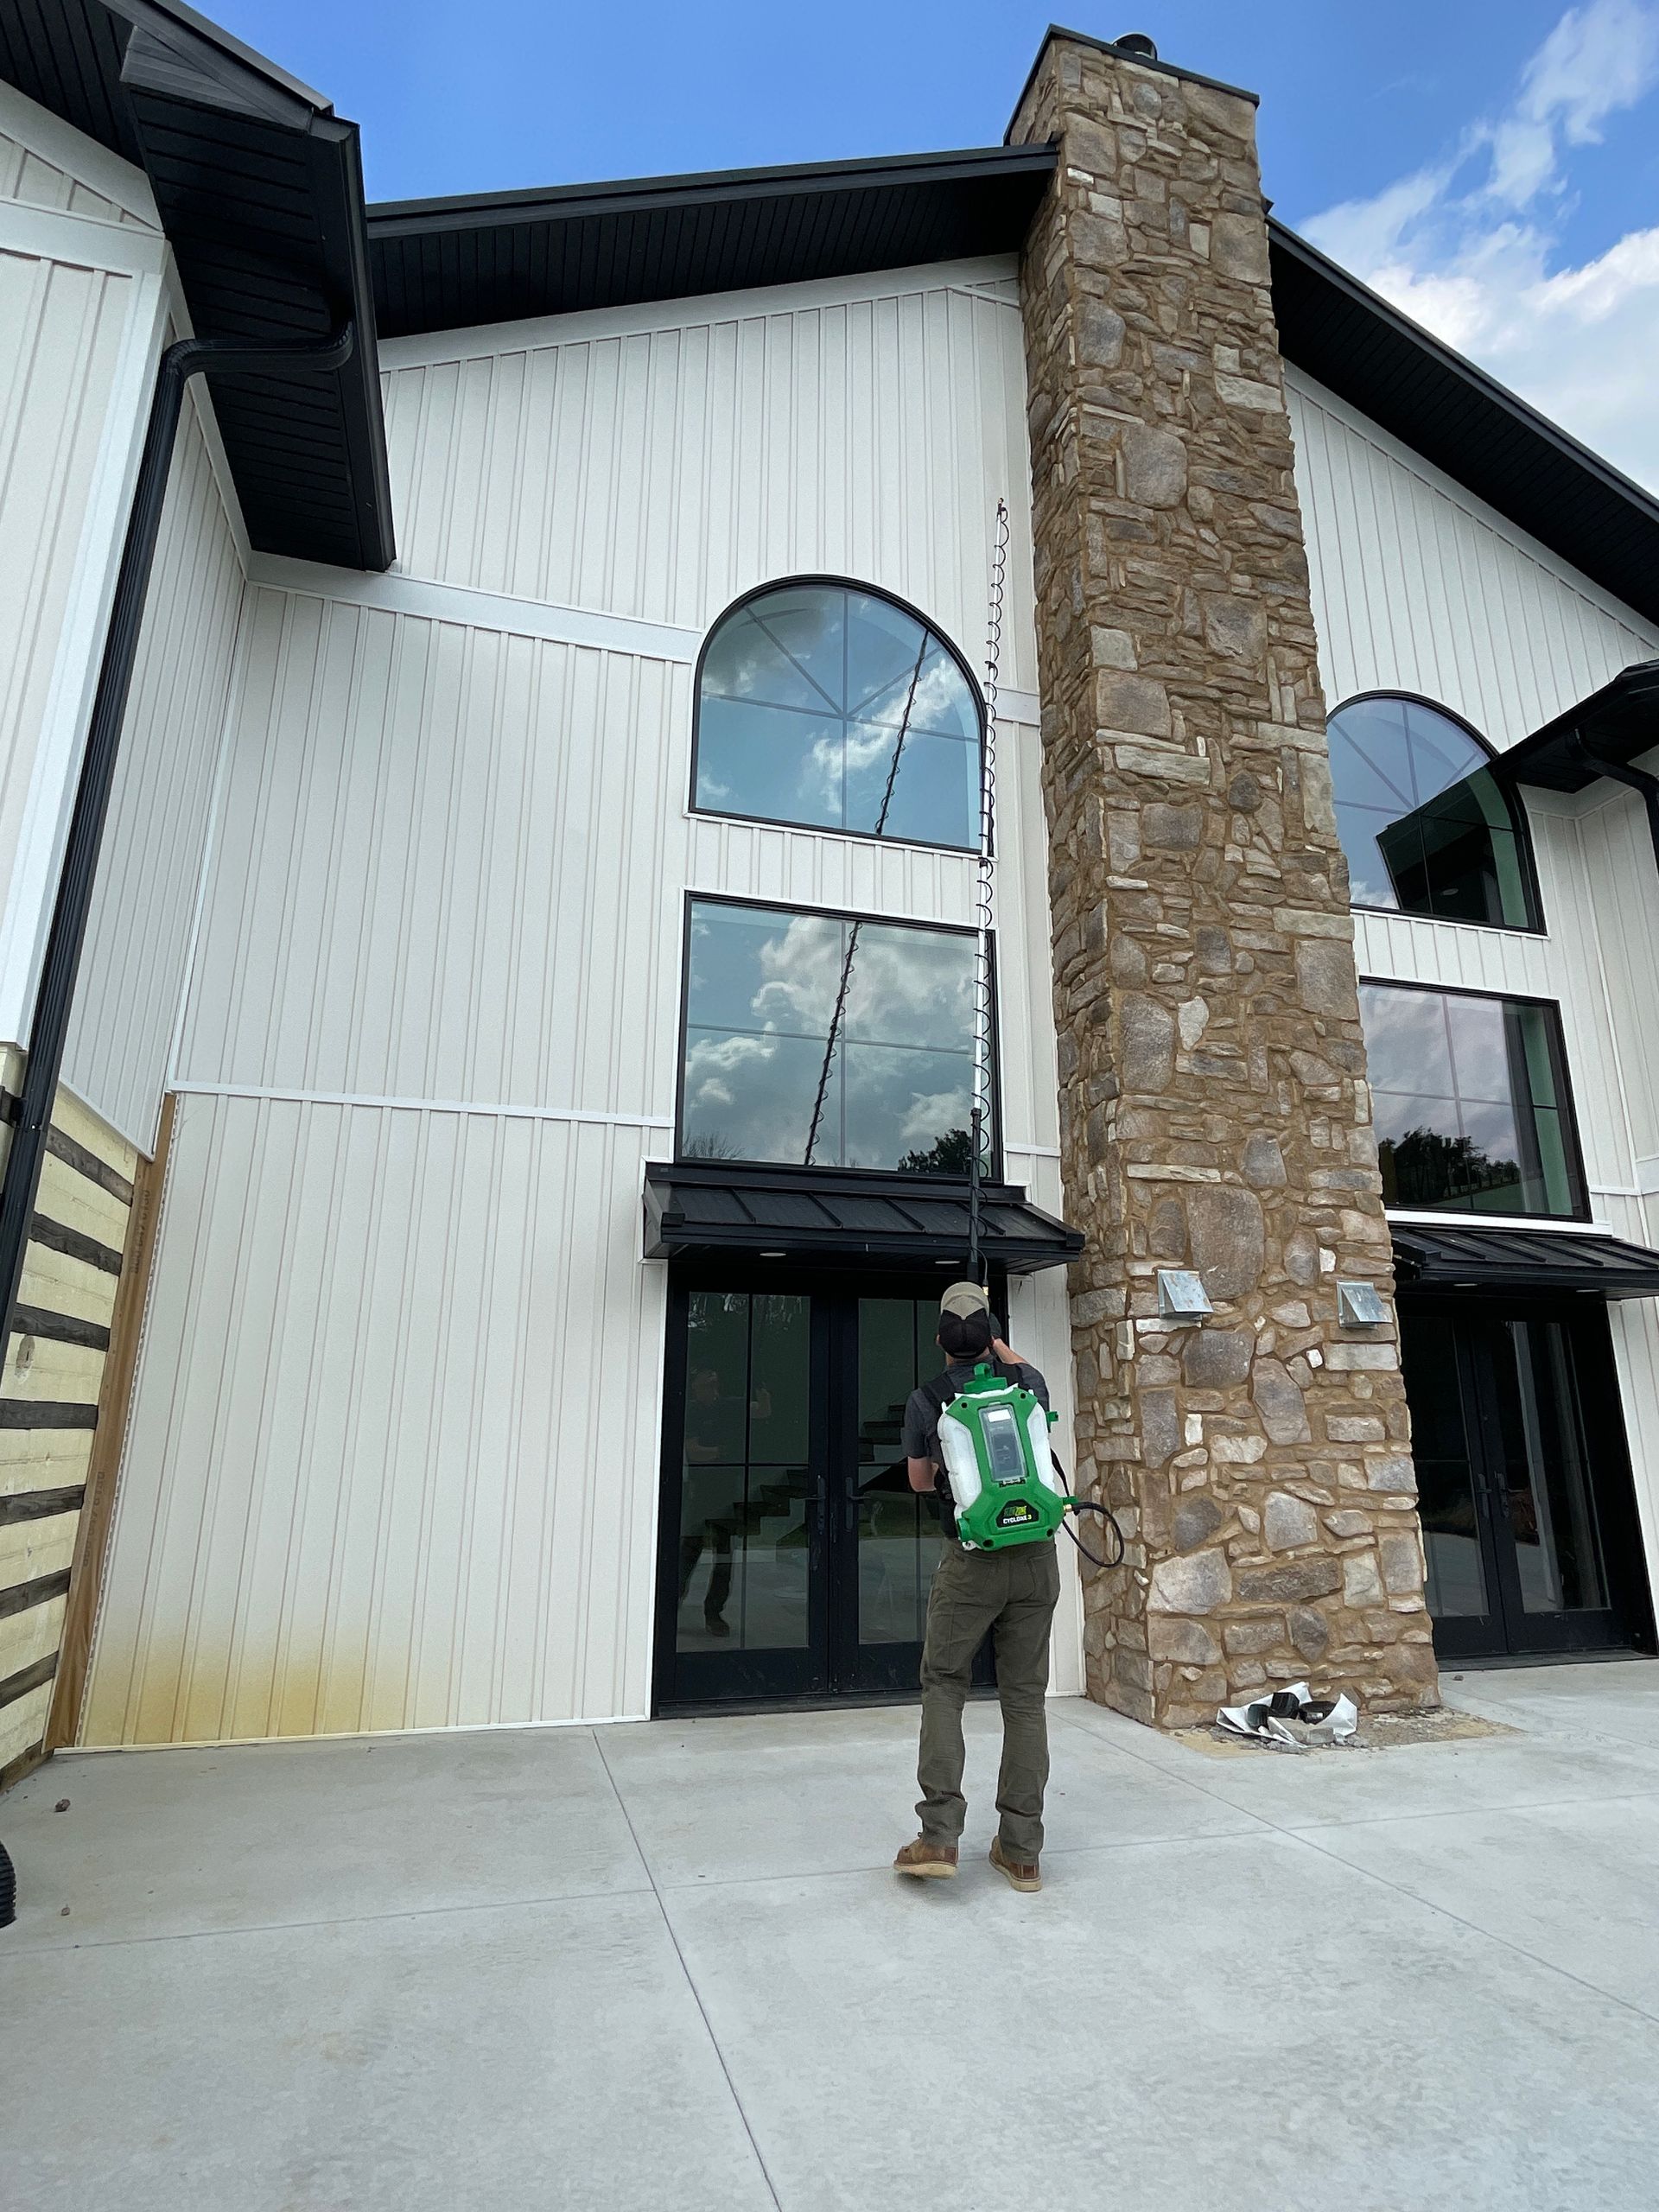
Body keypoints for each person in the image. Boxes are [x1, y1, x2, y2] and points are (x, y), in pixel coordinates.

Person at [893, 1281, 1058, 1894]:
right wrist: (999, 1346)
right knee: (1024, 1698)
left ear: (939, 1339)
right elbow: (1025, 1369)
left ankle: (937, 1837)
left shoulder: (926, 1399)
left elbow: (917, 1483)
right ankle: (1021, 1850)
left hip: (971, 1560)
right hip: (1037, 1557)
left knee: (945, 1684)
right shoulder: (1028, 1386)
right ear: (989, 1335)